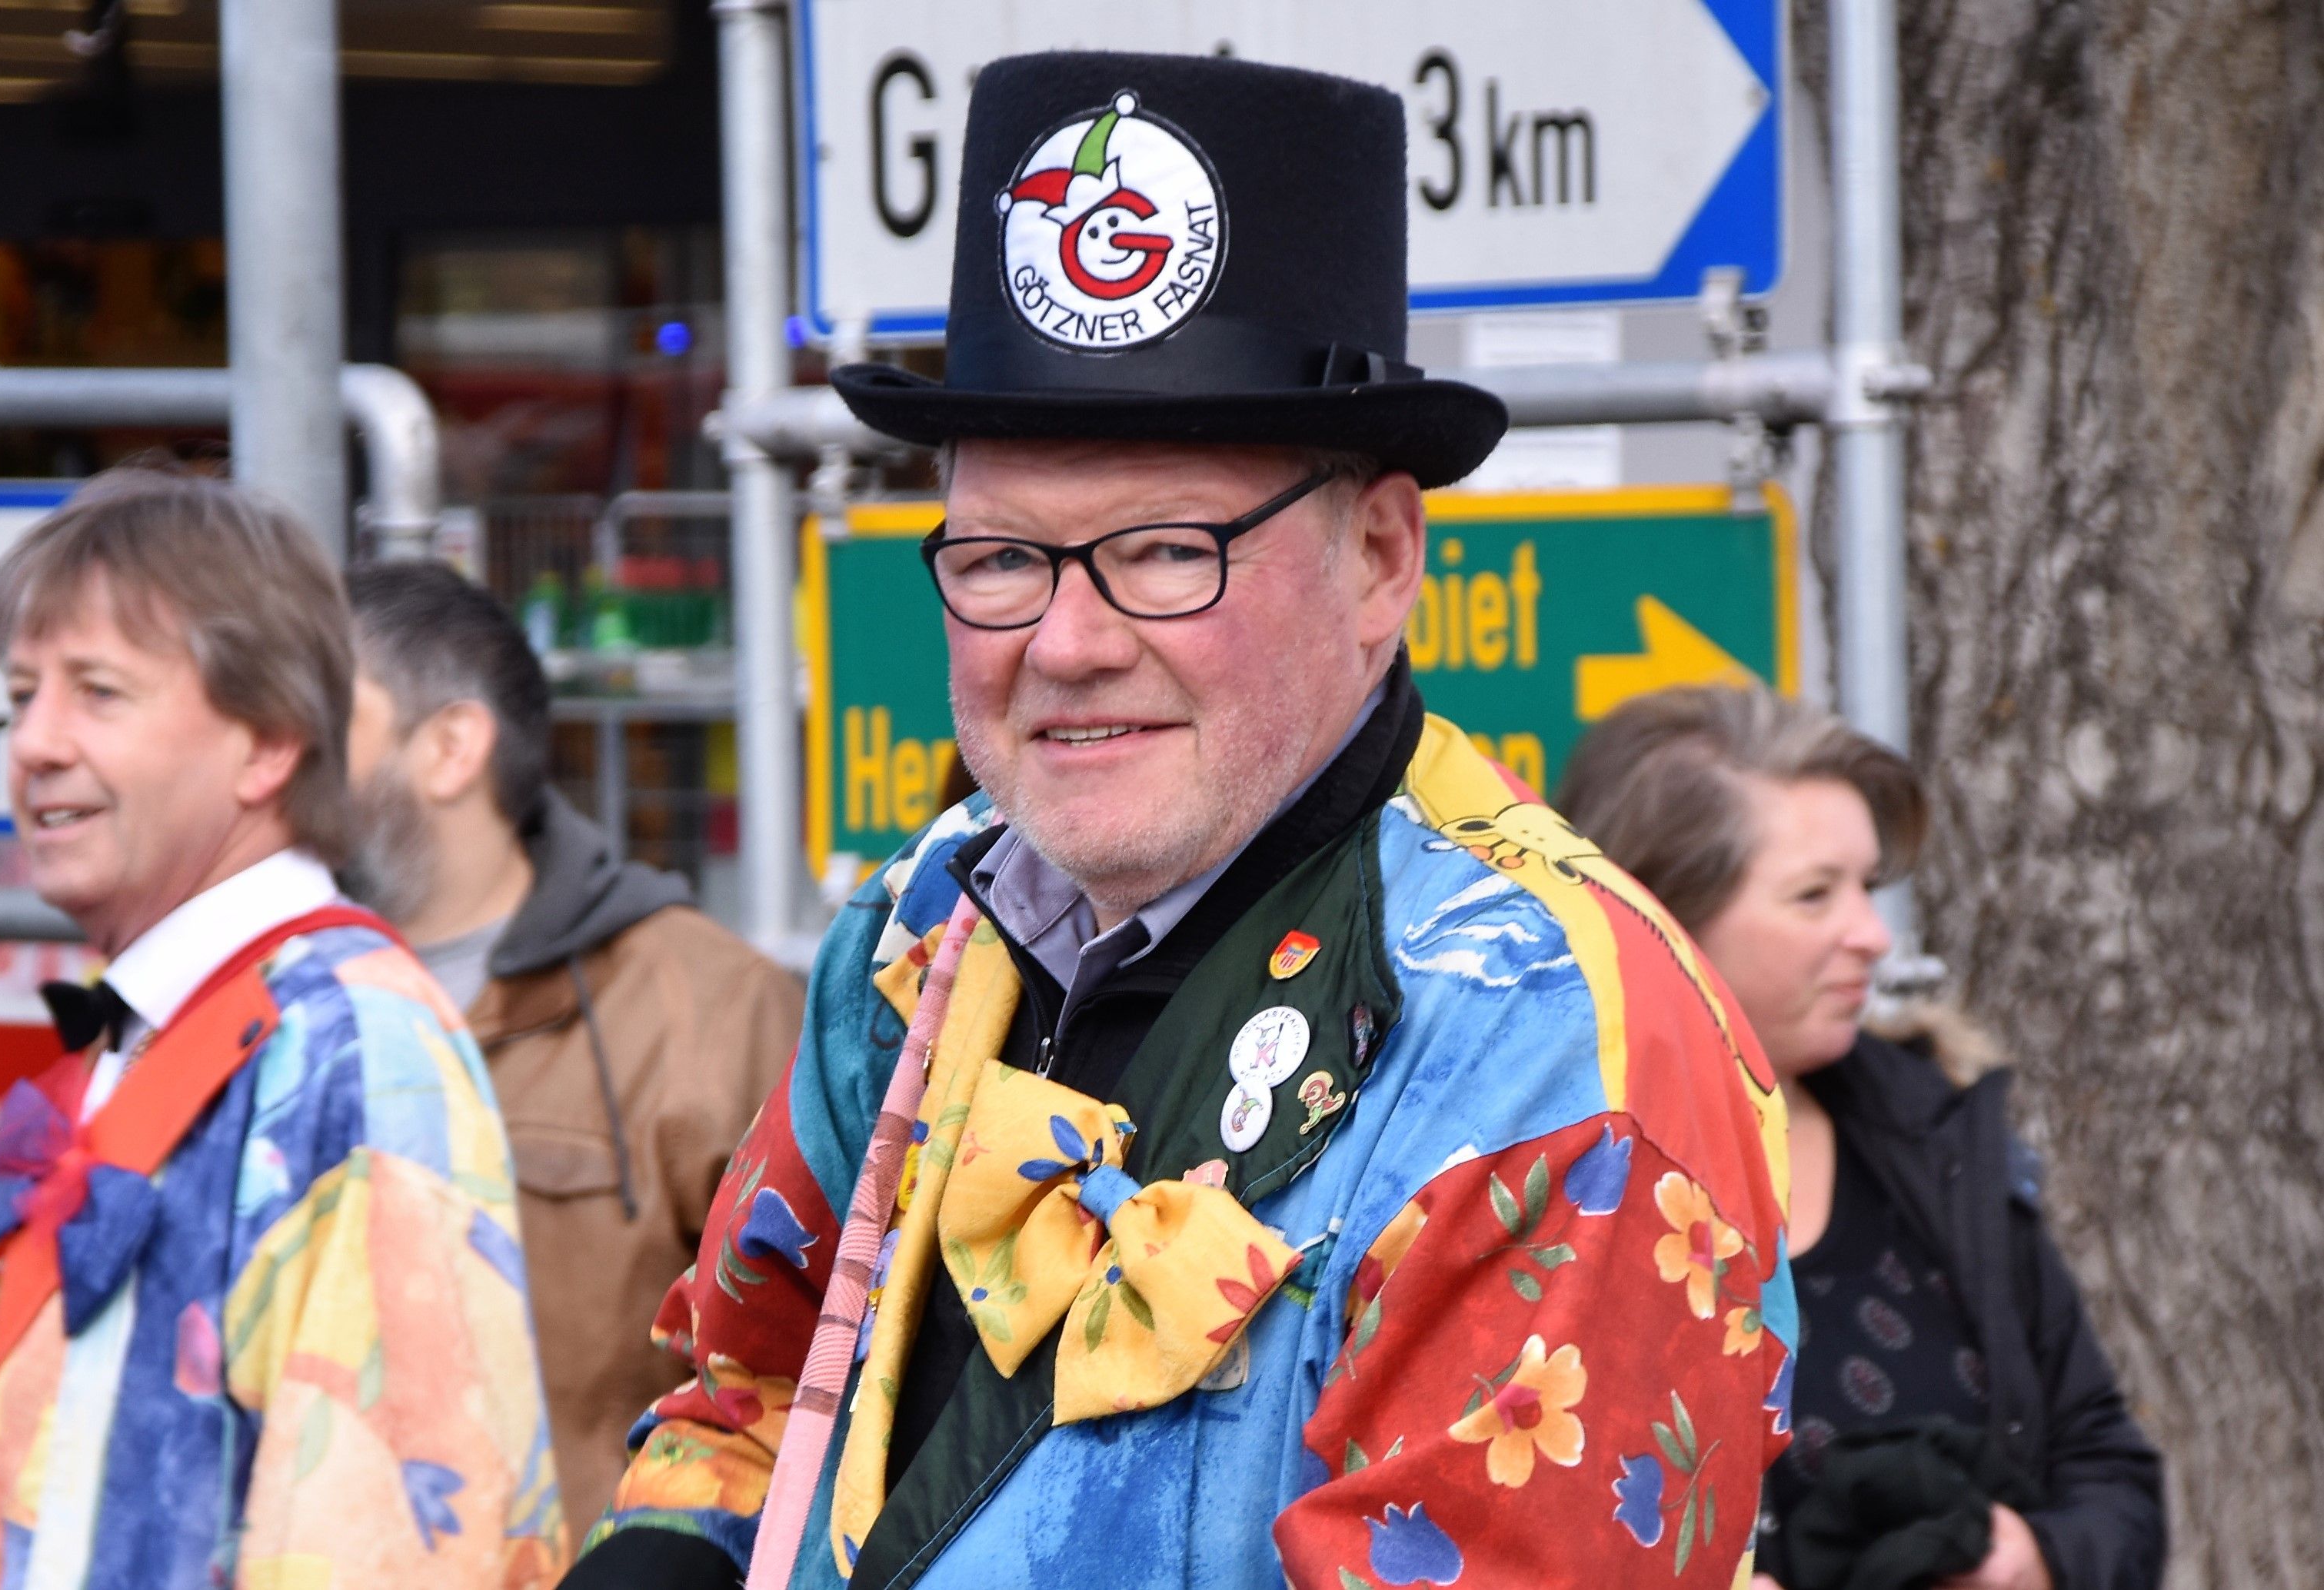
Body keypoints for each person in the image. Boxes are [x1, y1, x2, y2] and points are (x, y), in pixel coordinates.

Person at [563, 52, 1795, 1590]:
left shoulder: (1563, 1048)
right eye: (1000, 556)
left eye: (1162, 551)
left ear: (1378, 555)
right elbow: (748, 1394)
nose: (1065, 642)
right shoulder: (921, 916)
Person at [0, 469, 565, 1590]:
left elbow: (387, 1557)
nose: (32, 742)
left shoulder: (357, 1049)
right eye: (23, 694)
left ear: (269, 744)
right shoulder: (169, 1019)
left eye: (99, 692)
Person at [1556, 687, 2166, 1590]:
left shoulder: (1934, 1140)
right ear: (1664, 920)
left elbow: (2107, 1465)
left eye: (1867, 888)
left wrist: (2033, 1560)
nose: (1874, 936)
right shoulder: (1545, 1186)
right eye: (1814, 895)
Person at [341, 559, 804, 1536]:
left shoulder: (710, 1011)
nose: (272, 758)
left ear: (451, 748)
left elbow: (795, 1399)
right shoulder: (264, 1003)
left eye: (319, 719)